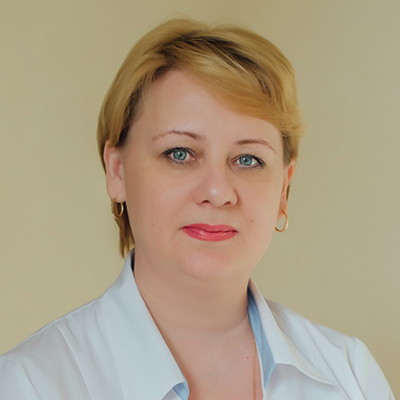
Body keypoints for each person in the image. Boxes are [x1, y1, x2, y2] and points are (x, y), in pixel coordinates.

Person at [0, 17, 394, 400]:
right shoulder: (30, 385)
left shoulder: (351, 375)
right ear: (117, 171)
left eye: (248, 160)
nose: (218, 192)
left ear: (283, 189)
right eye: (180, 153)